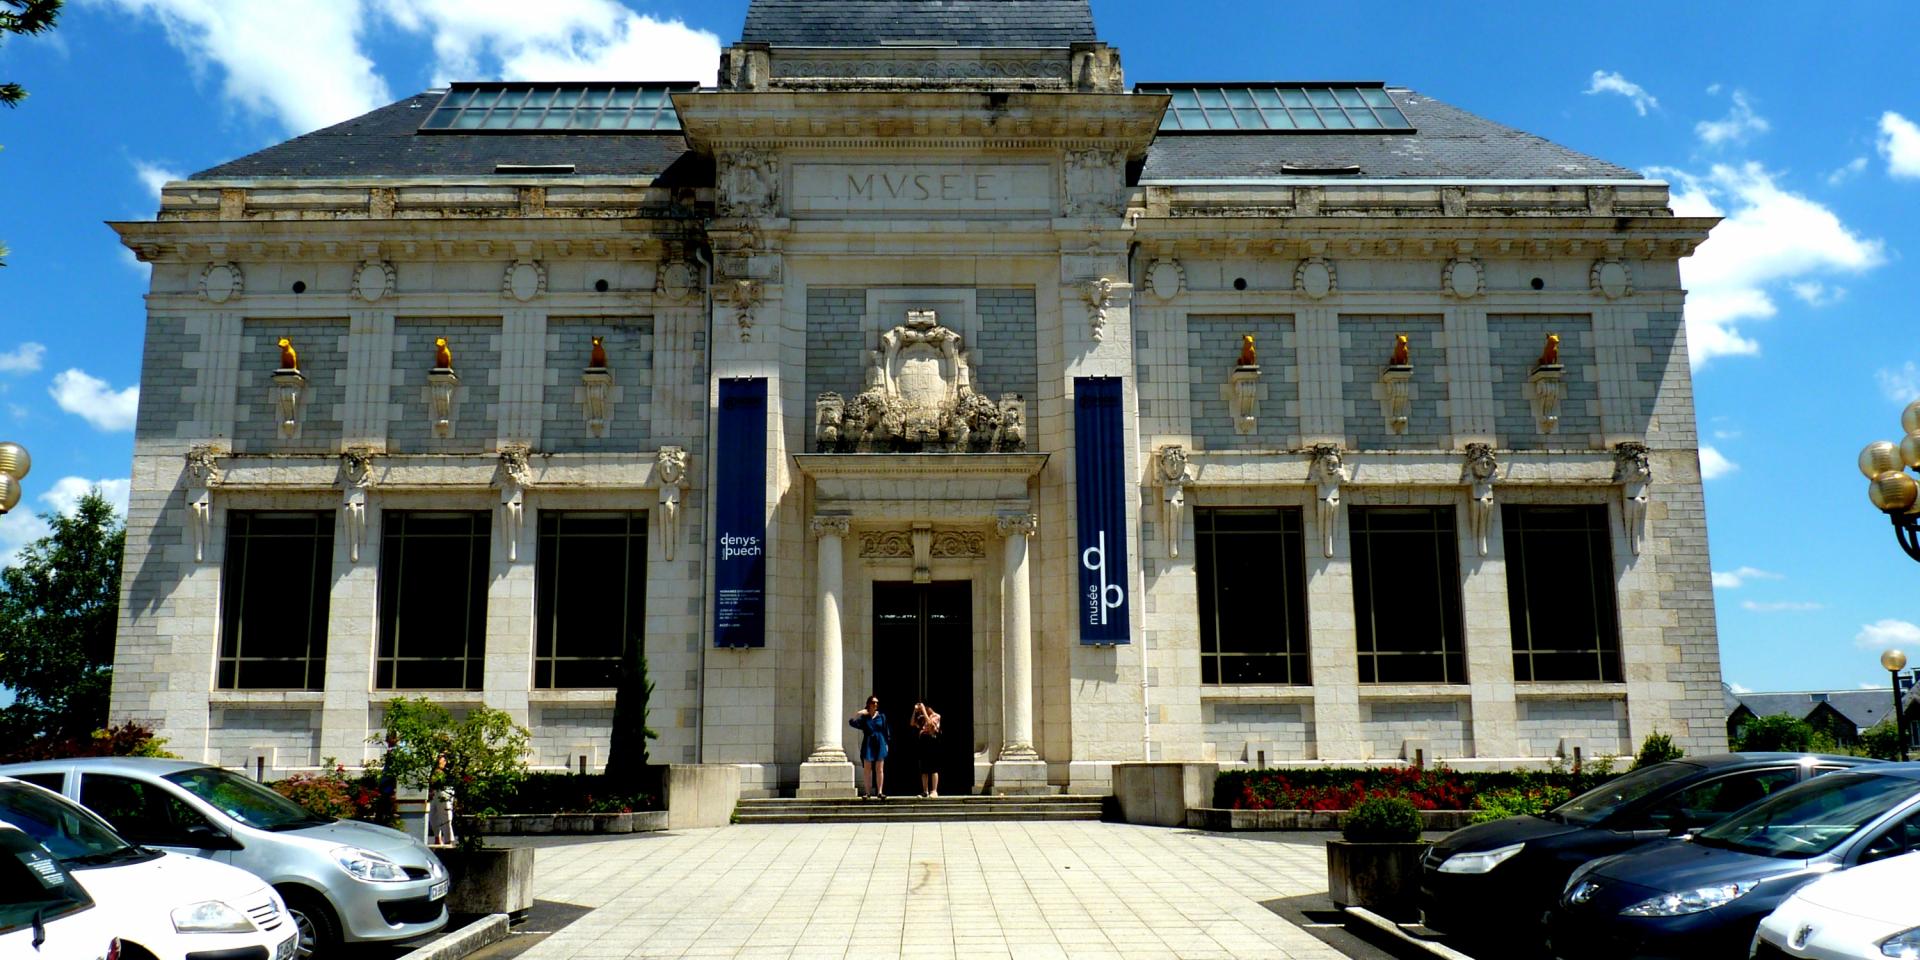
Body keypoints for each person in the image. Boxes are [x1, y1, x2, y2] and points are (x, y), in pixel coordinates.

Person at [849, 695, 890, 799]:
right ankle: (867, 792)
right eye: (873, 702)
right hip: (868, 742)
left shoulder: (882, 716)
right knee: (867, 768)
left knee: (879, 768)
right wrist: (858, 713)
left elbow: (886, 731)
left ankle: (880, 792)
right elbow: (852, 723)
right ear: (868, 704)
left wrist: (886, 744)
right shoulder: (864, 718)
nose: (875, 704)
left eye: (876, 703)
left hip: (880, 741)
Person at [910, 702, 942, 798]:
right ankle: (925, 791)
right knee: (924, 769)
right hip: (923, 742)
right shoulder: (921, 717)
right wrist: (914, 711)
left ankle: (934, 790)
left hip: (932, 741)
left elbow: (930, 725)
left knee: (933, 767)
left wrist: (923, 710)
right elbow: (912, 723)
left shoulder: (936, 716)